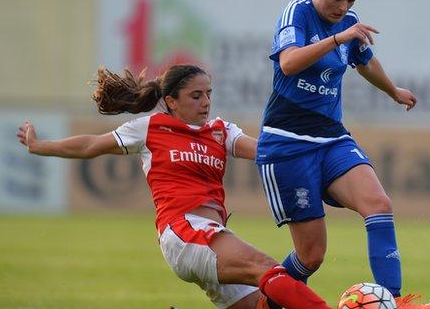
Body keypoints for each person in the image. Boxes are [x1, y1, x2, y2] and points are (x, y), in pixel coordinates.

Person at [17, 65, 332, 309]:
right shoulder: (151, 128)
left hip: (214, 235)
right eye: (196, 96)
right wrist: (39, 145)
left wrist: (319, 161)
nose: (206, 102)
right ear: (170, 101)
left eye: (209, 93)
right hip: (183, 232)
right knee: (266, 268)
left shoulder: (221, 130)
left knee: (263, 305)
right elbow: (90, 145)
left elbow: (267, 152)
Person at [256, 0, 430, 309]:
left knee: (379, 204)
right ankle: (266, 302)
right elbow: (289, 62)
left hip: (331, 138)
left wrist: (392, 91)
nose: (343, 8)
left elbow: (364, 60)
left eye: (351, 2)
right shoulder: (296, 13)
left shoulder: (349, 25)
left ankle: (397, 302)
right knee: (311, 256)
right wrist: (337, 37)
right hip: (287, 144)